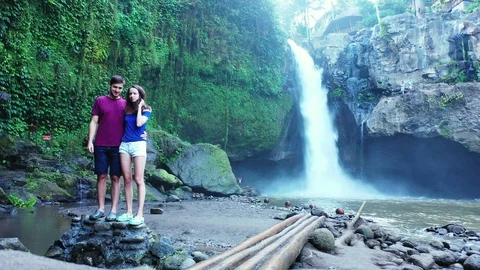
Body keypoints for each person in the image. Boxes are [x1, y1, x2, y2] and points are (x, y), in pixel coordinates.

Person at [87, 75, 126, 221]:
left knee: (116, 177)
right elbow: (93, 122)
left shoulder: (125, 104)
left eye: (120, 88)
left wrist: (143, 132)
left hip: (119, 146)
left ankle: (114, 210)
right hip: (101, 144)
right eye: (115, 87)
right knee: (101, 176)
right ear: (110, 86)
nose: (117, 90)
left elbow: (133, 121)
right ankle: (101, 208)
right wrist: (90, 141)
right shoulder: (100, 101)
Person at [115, 85, 152, 225]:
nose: (131, 96)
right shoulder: (126, 109)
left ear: (140, 95)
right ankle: (129, 212)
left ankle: (140, 214)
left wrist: (140, 106)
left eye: (134, 93)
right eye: (130, 94)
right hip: (125, 144)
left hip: (139, 145)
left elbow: (139, 123)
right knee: (127, 179)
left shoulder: (147, 109)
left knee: (138, 179)